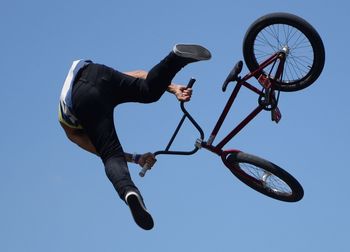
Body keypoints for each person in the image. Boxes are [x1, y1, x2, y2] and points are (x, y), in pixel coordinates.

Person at [58, 44, 211, 230]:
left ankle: (129, 191)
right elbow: (138, 73)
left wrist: (133, 158)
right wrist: (171, 88)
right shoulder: (87, 81)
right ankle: (175, 58)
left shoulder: (70, 128)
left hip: (80, 96)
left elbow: (105, 152)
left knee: (109, 155)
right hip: (96, 71)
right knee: (149, 91)